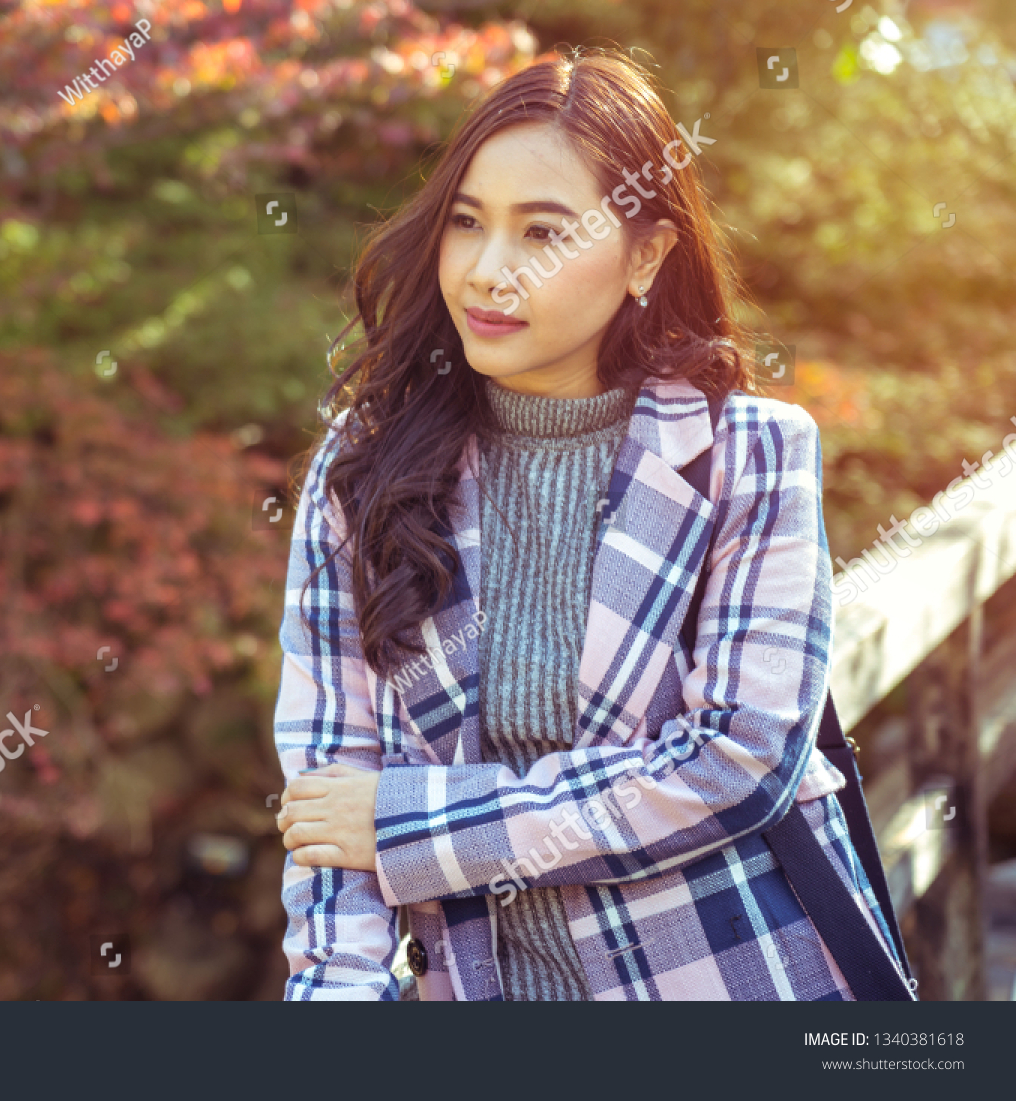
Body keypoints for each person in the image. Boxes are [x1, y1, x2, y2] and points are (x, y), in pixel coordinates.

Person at [270, 48, 910, 1001]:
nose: (489, 272)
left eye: (543, 233)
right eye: (466, 224)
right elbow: (330, 804)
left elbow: (738, 760)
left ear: (646, 254)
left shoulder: (750, 455)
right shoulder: (365, 470)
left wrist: (410, 826)